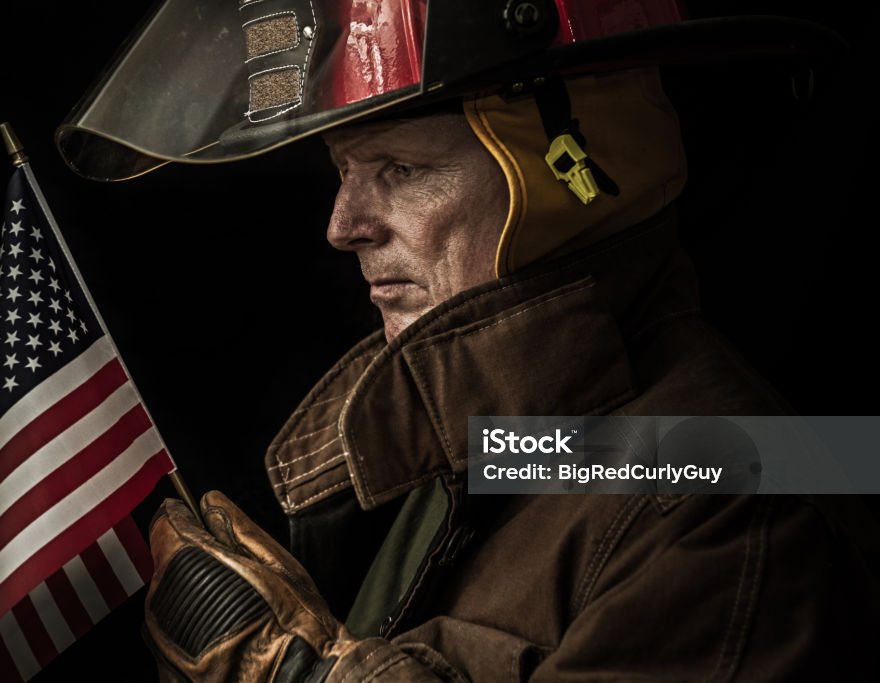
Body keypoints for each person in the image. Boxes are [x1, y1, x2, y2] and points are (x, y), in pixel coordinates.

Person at [57, 1, 877, 679]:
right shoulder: (510, 439)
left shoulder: (744, 498)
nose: (342, 227)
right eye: (343, 172)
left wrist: (292, 676)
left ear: (567, 180)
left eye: (401, 170)